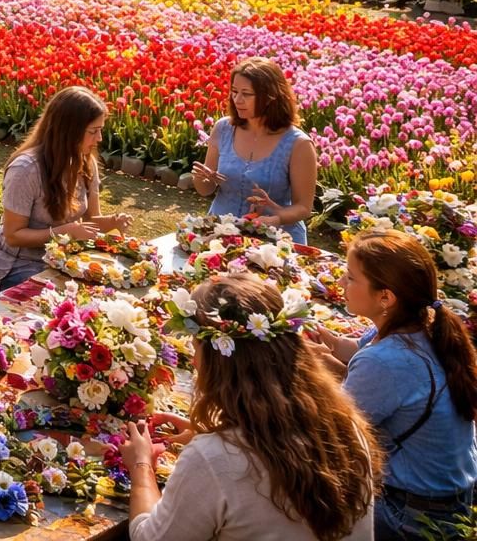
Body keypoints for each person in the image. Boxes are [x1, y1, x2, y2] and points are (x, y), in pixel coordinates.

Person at [120, 274, 378, 541]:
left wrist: (141, 465)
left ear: (219, 360)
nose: (194, 362)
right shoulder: (344, 426)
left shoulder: (214, 458)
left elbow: (150, 539)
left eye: (196, 348)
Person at [312, 229, 477, 540]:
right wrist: (331, 343)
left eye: (351, 278)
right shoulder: (422, 327)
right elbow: (361, 354)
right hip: (449, 497)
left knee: (293, 489)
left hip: (413, 516)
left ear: (385, 297)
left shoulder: (386, 360)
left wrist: (317, 370)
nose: (342, 284)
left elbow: (333, 428)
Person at [0, 87, 132, 290]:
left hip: (67, 258)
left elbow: (91, 219)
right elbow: (13, 235)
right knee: (66, 306)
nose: (99, 138)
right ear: (69, 131)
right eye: (93, 131)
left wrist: (111, 223)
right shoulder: (26, 170)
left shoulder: (85, 163)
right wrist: (64, 232)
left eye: (101, 130)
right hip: (22, 265)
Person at [190, 57, 316, 245]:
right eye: (234, 92)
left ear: (270, 96)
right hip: (221, 237)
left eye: (246, 94)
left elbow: (304, 207)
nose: (237, 99)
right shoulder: (223, 128)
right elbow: (205, 190)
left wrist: (277, 218)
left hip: (274, 242)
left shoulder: (298, 144)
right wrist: (202, 178)